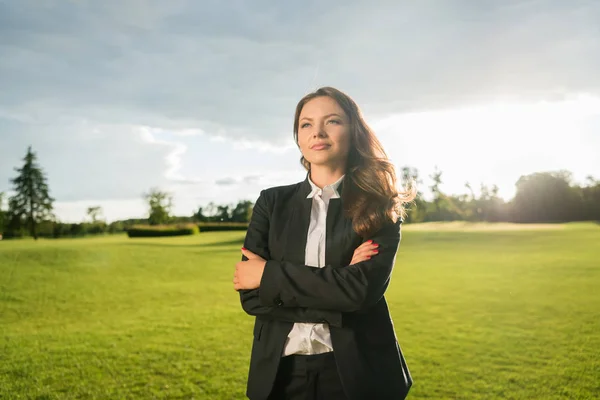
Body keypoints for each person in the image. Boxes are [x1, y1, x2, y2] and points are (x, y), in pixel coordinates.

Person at [233, 86, 417, 400]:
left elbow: (360, 291)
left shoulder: (377, 205)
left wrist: (270, 276)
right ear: (298, 136)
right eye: (306, 124)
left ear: (354, 131)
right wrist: (337, 287)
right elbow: (251, 298)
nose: (317, 132)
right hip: (280, 374)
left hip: (358, 374)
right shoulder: (271, 202)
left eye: (331, 121)